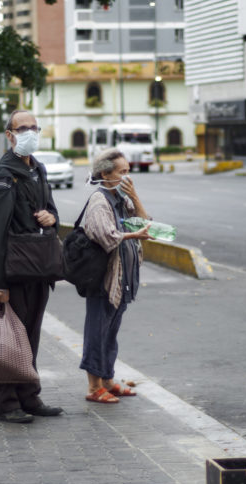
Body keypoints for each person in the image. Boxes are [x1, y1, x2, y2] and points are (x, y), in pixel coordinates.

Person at [0, 110, 64, 423]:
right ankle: (5, 403)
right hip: (12, 271)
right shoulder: (3, 174)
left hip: (38, 268)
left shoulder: (38, 169)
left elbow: (52, 210)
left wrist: (51, 217)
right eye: (23, 128)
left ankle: (29, 396)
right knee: (8, 340)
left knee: (30, 337)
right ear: (9, 134)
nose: (30, 132)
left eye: (34, 127)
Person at [81, 148, 153, 403]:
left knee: (111, 332)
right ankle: (93, 388)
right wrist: (134, 235)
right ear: (105, 174)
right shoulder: (99, 200)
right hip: (104, 279)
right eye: (122, 172)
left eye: (128, 172)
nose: (127, 177)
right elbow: (106, 237)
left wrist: (135, 197)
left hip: (123, 279)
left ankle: (108, 379)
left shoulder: (121, 198)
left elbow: (145, 223)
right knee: (97, 332)